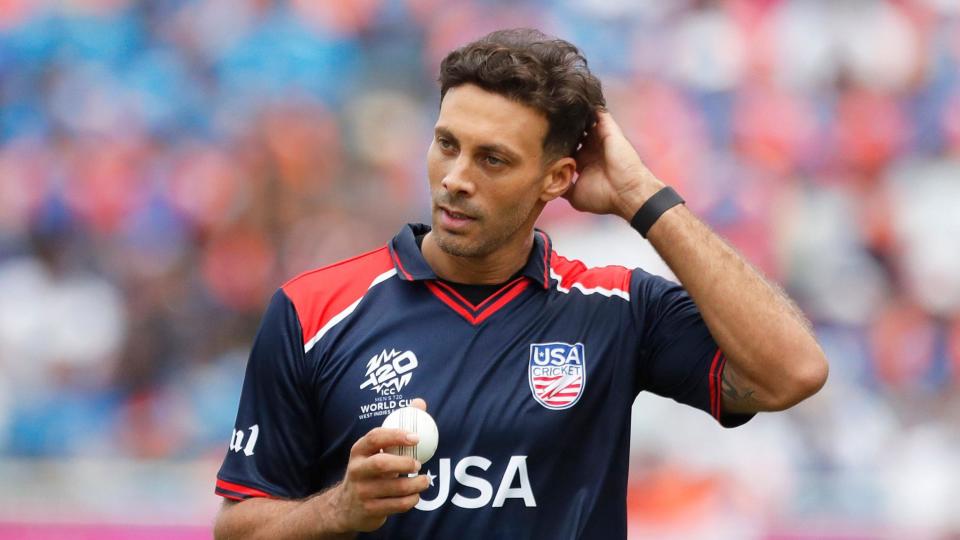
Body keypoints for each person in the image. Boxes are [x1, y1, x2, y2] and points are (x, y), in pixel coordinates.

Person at [212, 28, 828, 539]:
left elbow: (791, 373)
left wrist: (642, 197)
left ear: (557, 179)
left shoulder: (616, 308)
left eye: (493, 159)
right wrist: (339, 510)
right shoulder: (312, 310)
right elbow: (238, 529)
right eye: (446, 144)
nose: (455, 177)